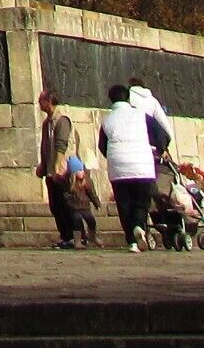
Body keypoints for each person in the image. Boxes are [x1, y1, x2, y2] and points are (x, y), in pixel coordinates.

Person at [98, 84, 169, 252]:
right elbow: (160, 136)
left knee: (124, 204)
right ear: (128, 98)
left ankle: (131, 241)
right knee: (141, 201)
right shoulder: (142, 116)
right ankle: (139, 226)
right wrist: (160, 150)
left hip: (119, 168)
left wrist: (115, 158)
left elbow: (102, 146)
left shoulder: (107, 120)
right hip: (142, 164)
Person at [36, 90, 83, 248]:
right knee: (56, 205)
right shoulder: (47, 122)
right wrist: (43, 165)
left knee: (66, 203)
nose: (38, 104)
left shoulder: (61, 119)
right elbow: (45, 147)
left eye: (41, 100)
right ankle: (65, 236)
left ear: (49, 101)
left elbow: (61, 145)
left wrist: (57, 166)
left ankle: (75, 236)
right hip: (51, 170)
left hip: (63, 169)